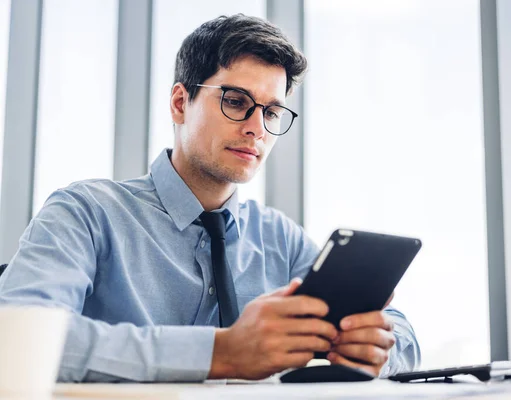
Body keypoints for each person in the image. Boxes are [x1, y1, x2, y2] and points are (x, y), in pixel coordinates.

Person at [0, 14, 420, 382]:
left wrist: (376, 347)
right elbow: (17, 336)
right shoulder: (87, 213)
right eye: (237, 101)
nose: (257, 128)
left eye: (271, 112)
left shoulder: (280, 239)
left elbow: (402, 332)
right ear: (181, 103)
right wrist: (221, 353)